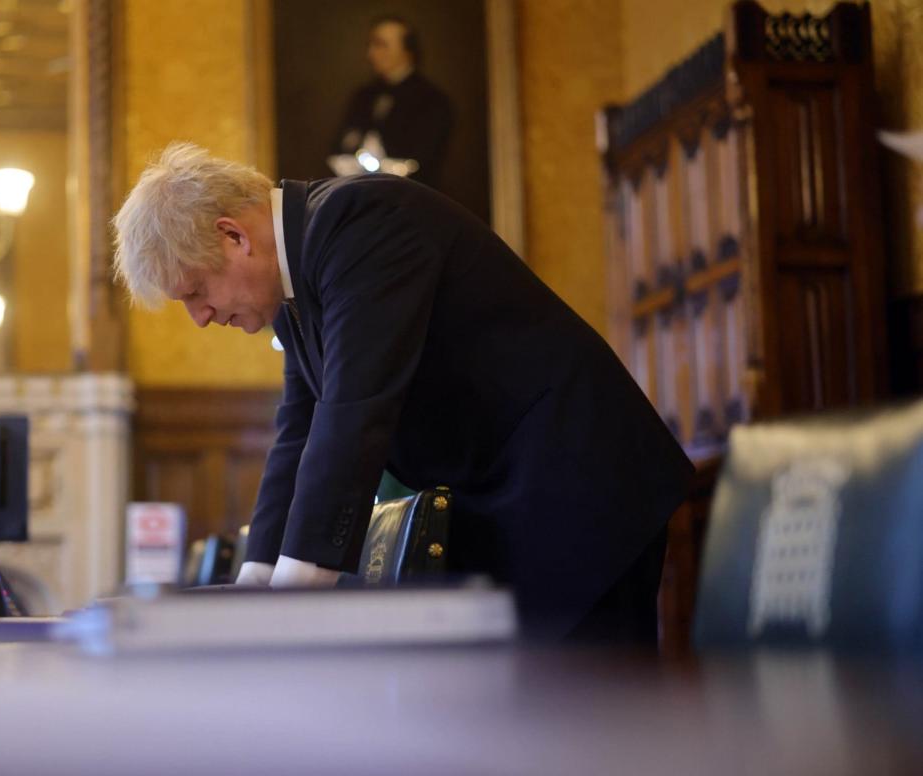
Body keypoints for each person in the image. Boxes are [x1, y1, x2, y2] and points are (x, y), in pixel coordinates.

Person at [112, 143, 694, 645]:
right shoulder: (296, 293)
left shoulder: (362, 221)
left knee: (594, 731)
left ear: (234, 236)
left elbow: (353, 415)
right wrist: (256, 580)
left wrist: (286, 606)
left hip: (580, 489)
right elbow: (300, 434)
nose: (200, 317)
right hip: (519, 499)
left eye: (195, 291)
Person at [330, 16, 453, 190]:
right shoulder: (363, 97)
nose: (371, 53)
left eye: (381, 45)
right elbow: (342, 145)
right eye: (371, 45)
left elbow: (423, 160)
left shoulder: (432, 101)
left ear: (407, 50)